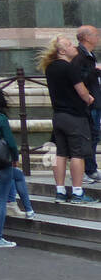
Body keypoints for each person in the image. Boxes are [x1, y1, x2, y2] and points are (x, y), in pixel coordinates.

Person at [38, 34, 99, 205]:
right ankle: (78, 192)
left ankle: (60, 191)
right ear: (62, 51)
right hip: (74, 116)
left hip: (58, 116)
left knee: (60, 153)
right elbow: (81, 91)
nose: (74, 47)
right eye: (70, 45)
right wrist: (89, 98)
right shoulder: (69, 68)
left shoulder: (50, 68)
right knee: (77, 155)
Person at [0, 86, 37, 248]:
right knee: (1, 201)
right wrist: (15, 157)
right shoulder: (0, 118)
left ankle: (29, 209)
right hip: (2, 161)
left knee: (17, 175)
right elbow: (10, 141)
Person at [76, 26, 101, 185]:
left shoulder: (89, 54)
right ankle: (88, 170)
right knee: (90, 136)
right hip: (89, 102)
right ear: (86, 37)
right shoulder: (80, 55)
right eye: (96, 34)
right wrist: (96, 71)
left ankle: (91, 168)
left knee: (94, 135)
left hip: (95, 99)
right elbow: (79, 77)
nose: (98, 37)